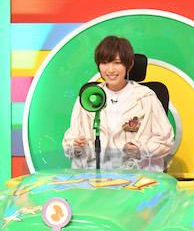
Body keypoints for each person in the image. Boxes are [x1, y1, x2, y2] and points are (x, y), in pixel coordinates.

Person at [62, 36, 174, 171]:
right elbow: (71, 138)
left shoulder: (146, 97)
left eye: (117, 63)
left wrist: (140, 150)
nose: (110, 70)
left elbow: (165, 140)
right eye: (104, 63)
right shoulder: (89, 97)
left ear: (129, 65)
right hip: (94, 171)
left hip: (134, 171)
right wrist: (76, 146)